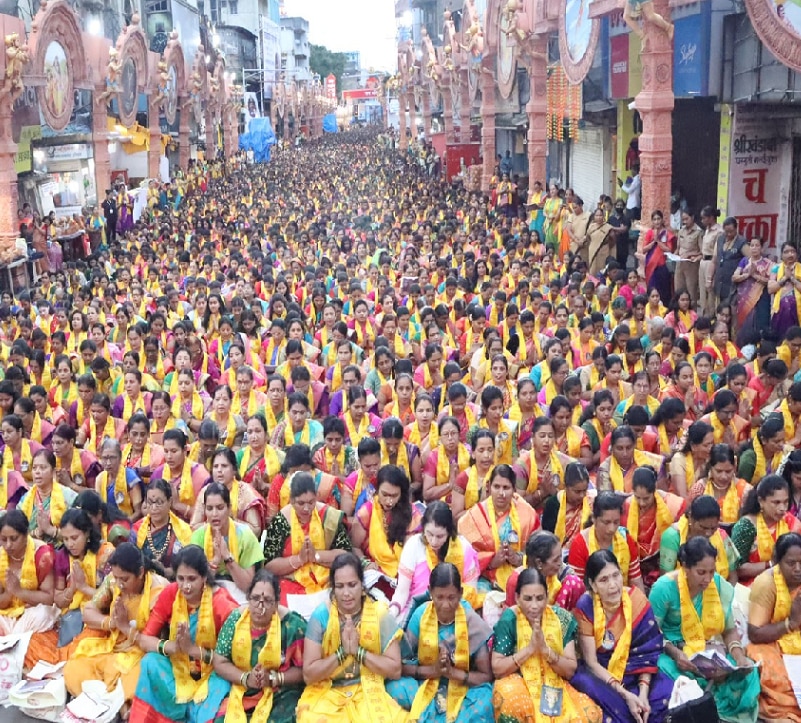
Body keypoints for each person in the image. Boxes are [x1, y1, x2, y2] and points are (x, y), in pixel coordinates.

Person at [649, 536, 761, 723]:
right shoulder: (664, 588)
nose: (708, 579)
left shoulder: (717, 584)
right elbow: (652, 634)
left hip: (709, 651)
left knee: (749, 674)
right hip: (672, 653)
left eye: (712, 571)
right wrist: (678, 655)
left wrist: (739, 658)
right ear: (685, 567)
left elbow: (728, 630)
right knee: (682, 684)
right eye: (701, 572)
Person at [128, 545, 239, 723]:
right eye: (181, 578)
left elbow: (232, 658)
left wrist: (192, 650)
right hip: (177, 667)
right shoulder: (171, 593)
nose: (185, 586)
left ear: (204, 577)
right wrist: (170, 646)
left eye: (192, 579)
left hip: (212, 673)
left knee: (224, 689)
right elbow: (145, 638)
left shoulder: (222, 604)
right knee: (149, 661)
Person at [295, 553, 408, 722]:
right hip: (328, 690)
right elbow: (309, 675)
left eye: (352, 585)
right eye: (340, 586)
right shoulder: (322, 616)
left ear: (362, 585)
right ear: (333, 588)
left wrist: (358, 652)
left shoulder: (379, 614)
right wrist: (342, 654)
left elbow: (395, 669)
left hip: (368, 688)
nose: (346, 593)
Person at [571, 550, 673, 723]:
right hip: (602, 674)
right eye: (604, 580)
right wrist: (625, 694)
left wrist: (643, 694)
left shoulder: (636, 601)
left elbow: (646, 654)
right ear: (592, 585)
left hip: (635, 671)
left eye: (615, 575)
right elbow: (591, 662)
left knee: (667, 690)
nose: (613, 585)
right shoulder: (585, 606)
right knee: (595, 696)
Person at [64, 542, 169, 710]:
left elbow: (153, 640)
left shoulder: (159, 590)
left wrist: (125, 626)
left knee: (137, 682)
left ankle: (111, 704)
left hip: (141, 653)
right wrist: (111, 623)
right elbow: (88, 612)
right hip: (113, 647)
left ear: (141, 572)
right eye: (116, 577)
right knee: (74, 669)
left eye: (125, 579)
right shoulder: (113, 581)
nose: (119, 584)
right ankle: (111, 705)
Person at [491, 567, 603, 723]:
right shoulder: (510, 619)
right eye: (528, 599)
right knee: (511, 702)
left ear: (547, 596)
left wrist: (545, 650)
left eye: (539, 598)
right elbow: (497, 668)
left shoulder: (561, 619)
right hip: (521, 682)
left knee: (589, 714)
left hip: (556, 681)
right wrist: (530, 649)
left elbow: (570, 670)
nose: (535, 605)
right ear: (517, 598)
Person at [394, 563, 493, 722]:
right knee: (396, 687)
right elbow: (400, 664)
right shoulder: (421, 615)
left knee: (486, 699)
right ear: (430, 592)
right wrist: (434, 670)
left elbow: (486, 675)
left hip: (462, 685)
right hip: (426, 681)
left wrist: (451, 673)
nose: (446, 605)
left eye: (451, 597)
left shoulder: (471, 621)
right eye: (439, 597)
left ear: (460, 594)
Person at [205, 569, 307, 723]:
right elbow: (220, 660)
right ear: (248, 598)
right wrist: (246, 678)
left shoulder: (292, 625)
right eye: (255, 598)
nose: (261, 606)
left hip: (280, 692)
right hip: (240, 687)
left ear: (277, 603)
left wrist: (274, 678)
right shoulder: (235, 620)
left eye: (267, 600)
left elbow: (304, 670)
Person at [262, 472, 350, 603]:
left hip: (327, 578)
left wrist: (316, 556)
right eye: (300, 503)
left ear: (317, 497)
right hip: (291, 580)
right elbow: (269, 565)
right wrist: (299, 559)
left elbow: (346, 555)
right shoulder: (281, 521)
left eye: (311, 502)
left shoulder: (329, 516)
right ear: (291, 500)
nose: (306, 508)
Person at [389, 501, 481, 622]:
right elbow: (402, 591)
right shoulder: (414, 545)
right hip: (418, 611)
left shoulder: (464, 548)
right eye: (429, 534)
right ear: (423, 529)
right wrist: (392, 613)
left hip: (455, 612)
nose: (433, 541)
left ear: (449, 532)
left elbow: (470, 593)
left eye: (440, 536)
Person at [458, 464, 540, 592]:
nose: (501, 493)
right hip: (485, 576)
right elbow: (464, 555)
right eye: (496, 487)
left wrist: (519, 558)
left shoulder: (526, 512)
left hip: (521, 572)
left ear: (514, 490)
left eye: (506, 488)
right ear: (489, 488)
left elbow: (538, 550)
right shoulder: (476, 515)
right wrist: (490, 561)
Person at [0, 508, 58, 670]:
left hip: (33, 613)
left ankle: (11, 642)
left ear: (26, 535)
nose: (8, 545)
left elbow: (49, 598)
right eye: (3, 539)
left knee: (44, 613)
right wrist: (10, 592)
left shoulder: (42, 555)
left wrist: (20, 592)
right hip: (9, 613)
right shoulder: (0, 557)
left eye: (14, 539)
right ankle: (13, 640)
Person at [351, 465, 421, 599]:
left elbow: (414, 551)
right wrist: (365, 563)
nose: (389, 501)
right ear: (376, 491)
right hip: (377, 574)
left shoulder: (412, 515)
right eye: (385, 494)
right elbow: (354, 547)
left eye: (394, 496)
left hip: (407, 572)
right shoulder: (366, 513)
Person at [189, 483, 264, 603]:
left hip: (239, 596)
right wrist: (216, 561)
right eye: (209, 508)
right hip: (206, 594)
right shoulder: (198, 537)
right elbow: (194, 586)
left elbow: (247, 586)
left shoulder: (245, 535)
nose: (214, 514)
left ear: (229, 508)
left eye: (219, 508)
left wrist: (227, 557)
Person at [568, 491, 644, 591]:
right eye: (606, 522)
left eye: (616, 522)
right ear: (594, 519)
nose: (611, 529)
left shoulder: (626, 540)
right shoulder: (580, 544)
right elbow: (578, 589)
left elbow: (636, 583)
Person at [622, 467, 685, 587]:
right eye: (637, 498)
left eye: (646, 498)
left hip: (665, 560)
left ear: (654, 490)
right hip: (636, 564)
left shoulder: (673, 505)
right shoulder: (627, 506)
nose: (641, 503)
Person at [732, 475, 801, 586]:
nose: (782, 508)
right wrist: (772, 564)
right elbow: (738, 568)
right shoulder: (747, 526)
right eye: (776, 502)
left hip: (789, 583)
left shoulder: (791, 522)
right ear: (761, 501)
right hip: (753, 586)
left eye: (786, 502)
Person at [134, 478, 192, 580]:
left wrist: (166, 572)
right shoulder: (136, 529)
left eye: (159, 502)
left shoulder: (183, 531)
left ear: (169, 502)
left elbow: (191, 567)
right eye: (150, 502)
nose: (154, 507)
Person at [732, 236, 772, 347]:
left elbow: (770, 281)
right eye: (752, 245)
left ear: (762, 248)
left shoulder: (768, 263)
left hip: (761, 298)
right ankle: (743, 348)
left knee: (761, 323)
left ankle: (761, 347)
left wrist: (754, 275)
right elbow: (734, 277)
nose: (754, 248)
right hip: (744, 299)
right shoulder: (744, 261)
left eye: (757, 245)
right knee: (745, 324)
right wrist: (747, 275)